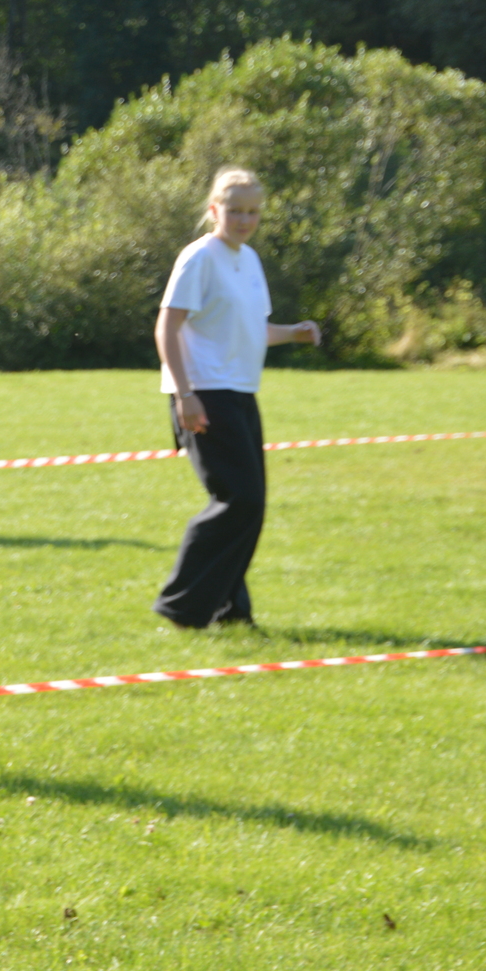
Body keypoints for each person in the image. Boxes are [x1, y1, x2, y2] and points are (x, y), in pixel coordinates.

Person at [153, 168, 320, 630]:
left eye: (253, 212)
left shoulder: (249, 259)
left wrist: (294, 333)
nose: (245, 220)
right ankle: (182, 606)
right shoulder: (199, 257)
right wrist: (185, 394)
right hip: (204, 393)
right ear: (214, 210)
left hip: (241, 392)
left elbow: (251, 330)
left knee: (249, 504)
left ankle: (231, 612)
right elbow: (167, 328)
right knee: (238, 500)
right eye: (235, 210)